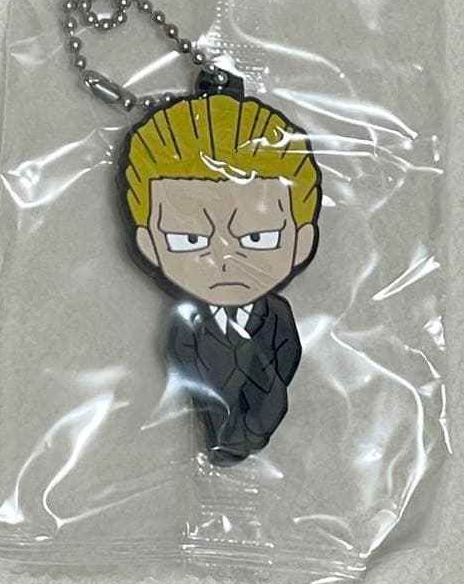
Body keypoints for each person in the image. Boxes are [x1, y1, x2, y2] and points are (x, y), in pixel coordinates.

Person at [119, 83, 321, 465]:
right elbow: (183, 359)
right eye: (189, 239)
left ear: (302, 240)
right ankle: (229, 443)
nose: (224, 258)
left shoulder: (277, 314)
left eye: (258, 237)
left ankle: (240, 441)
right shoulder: (187, 322)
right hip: (215, 419)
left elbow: (287, 355)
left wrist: (263, 400)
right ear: (149, 244)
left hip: (264, 410)